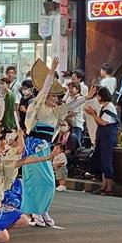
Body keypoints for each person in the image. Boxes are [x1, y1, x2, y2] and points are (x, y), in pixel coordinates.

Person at [0, 118, 61, 243]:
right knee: (3, 239)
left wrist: (48, 157)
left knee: (24, 220)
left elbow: (24, 160)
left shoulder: (1, 163)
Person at [23, 58, 87, 226]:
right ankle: (35, 211)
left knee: (49, 182)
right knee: (36, 181)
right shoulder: (38, 105)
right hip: (33, 146)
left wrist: (87, 97)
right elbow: (43, 90)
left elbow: (71, 106)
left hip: (45, 148)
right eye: (53, 97)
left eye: (57, 97)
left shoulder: (56, 111)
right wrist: (51, 71)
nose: (56, 100)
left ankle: (43, 209)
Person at [84, 87, 118, 196]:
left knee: (107, 162)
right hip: (103, 137)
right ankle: (104, 186)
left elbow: (103, 123)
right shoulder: (104, 107)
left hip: (107, 138)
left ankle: (109, 187)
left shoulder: (109, 107)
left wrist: (93, 114)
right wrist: (94, 113)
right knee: (103, 162)